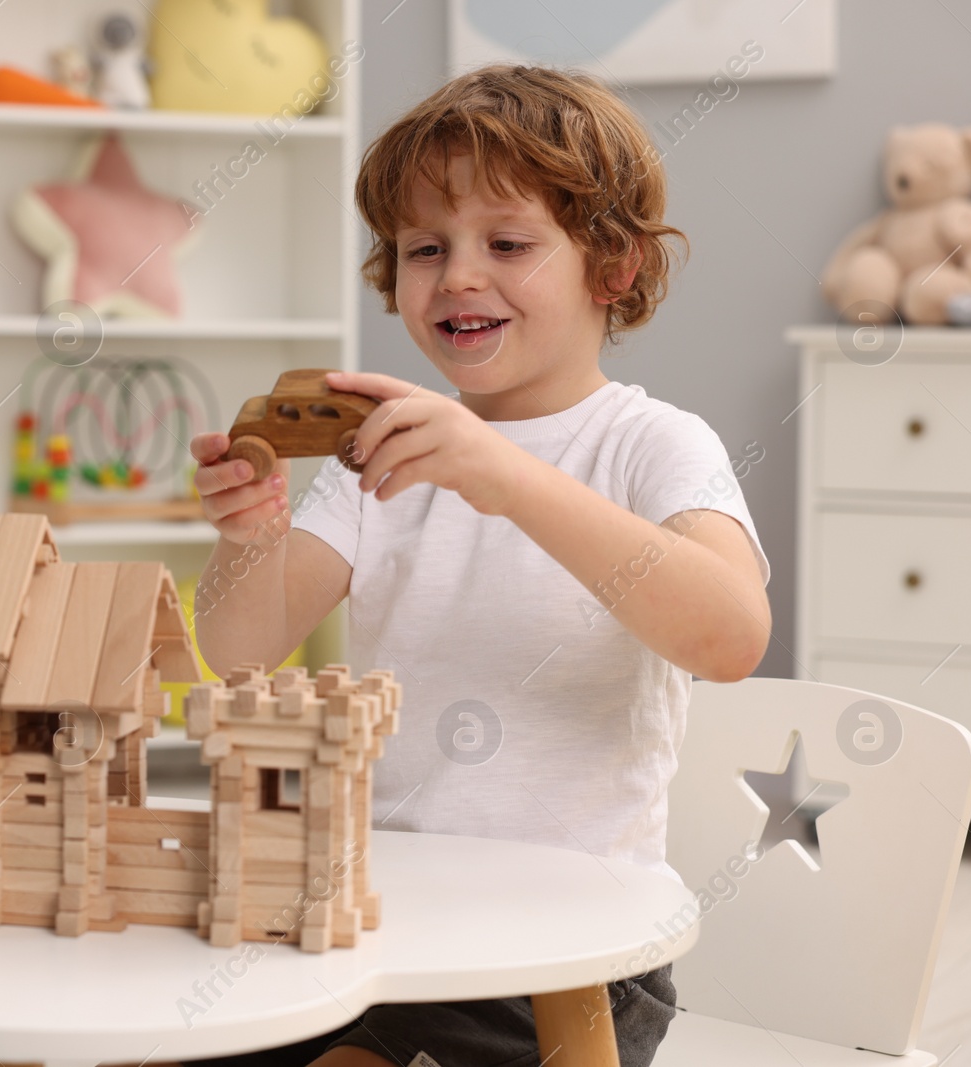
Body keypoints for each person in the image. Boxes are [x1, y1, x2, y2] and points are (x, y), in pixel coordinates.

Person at [184, 64, 772, 1067]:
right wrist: (247, 543)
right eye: (424, 248)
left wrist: (506, 476)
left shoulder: (651, 445)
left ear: (613, 265)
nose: (457, 274)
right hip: (378, 916)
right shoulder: (377, 448)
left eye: (505, 243)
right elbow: (235, 649)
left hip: (566, 950)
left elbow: (728, 636)